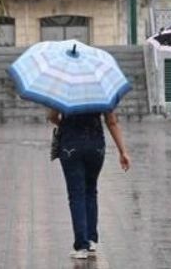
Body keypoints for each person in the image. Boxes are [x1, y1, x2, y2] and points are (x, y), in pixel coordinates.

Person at [48, 108, 131, 260]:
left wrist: (64, 123)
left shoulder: (65, 87)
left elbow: (52, 116)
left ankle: (81, 246)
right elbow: (111, 122)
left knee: (76, 194)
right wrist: (122, 151)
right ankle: (91, 240)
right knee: (91, 190)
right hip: (96, 146)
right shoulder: (99, 90)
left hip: (70, 146)